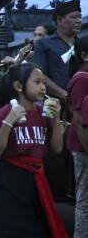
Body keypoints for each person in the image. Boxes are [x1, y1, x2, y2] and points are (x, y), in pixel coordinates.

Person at [0, 63, 66, 237]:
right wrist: (9, 121)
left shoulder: (42, 112)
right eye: (37, 82)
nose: (43, 87)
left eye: (43, 82)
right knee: (9, 227)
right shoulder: (7, 111)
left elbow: (57, 148)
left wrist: (57, 118)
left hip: (36, 177)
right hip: (10, 178)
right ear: (18, 86)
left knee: (38, 226)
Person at [33, 0, 82, 200]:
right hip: (52, 102)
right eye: (74, 17)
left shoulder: (83, 43)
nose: (79, 21)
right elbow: (41, 75)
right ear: (60, 20)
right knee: (53, 148)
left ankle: (76, 191)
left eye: (80, 17)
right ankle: (54, 195)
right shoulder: (45, 44)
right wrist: (64, 95)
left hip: (80, 104)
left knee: (79, 145)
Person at [67, 35, 88, 237]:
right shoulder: (81, 79)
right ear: (84, 55)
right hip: (83, 146)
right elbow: (79, 119)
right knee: (85, 198)